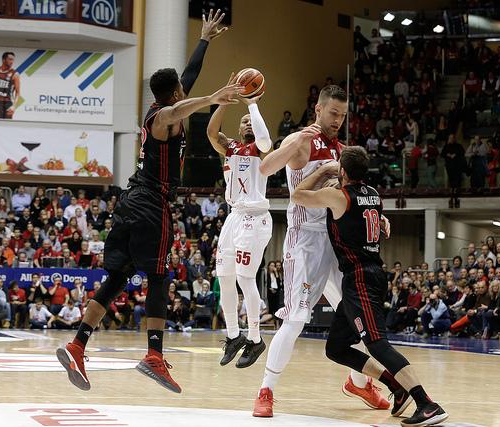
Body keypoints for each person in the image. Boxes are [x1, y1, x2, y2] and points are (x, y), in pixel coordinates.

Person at [56, 9, 232, 394]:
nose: (185, 93)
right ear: (175, 97)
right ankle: (154, 355)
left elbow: (188, 78)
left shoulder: (170, 103)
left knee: (118, 277)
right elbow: (179, 108)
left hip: (131, 203)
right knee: (157, 276)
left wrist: (203, 39)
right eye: (182, 94)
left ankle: (77, 344)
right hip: (152, 204)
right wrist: (213, 98)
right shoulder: (162, 116)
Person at [253, 86, 387, 418]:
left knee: (356, 317)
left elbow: (351, 196)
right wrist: (297, 145)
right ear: (318, 109)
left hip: (336, 240)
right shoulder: (300, 140)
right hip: (305, 242)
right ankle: (265, 390)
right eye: (333, 114)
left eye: (342, 116)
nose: (338, 120)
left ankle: (359, 383)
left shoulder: (341, 149)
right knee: (296, 318)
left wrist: (378, 216)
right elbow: (265, 168)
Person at [291, 146, 448, 426]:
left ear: (343, 172)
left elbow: (297, 195)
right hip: (368, 274)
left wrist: (321, 171)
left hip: (360, 276)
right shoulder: (373, 195)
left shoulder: (340, 197)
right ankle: (396, 387)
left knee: (376, 344)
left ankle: (427, 402)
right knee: (337, 347)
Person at [207, 84, 273, 368]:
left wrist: (251, 104)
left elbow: (265, 138)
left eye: (251, 121)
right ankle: (234, 335)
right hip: (234, 217)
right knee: (224, 277)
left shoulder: (261, 148)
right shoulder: (230, 147)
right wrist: (222, 101)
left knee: (246, 278)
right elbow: (211, 133)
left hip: (255, 218)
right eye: (243, 120)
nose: (247, 123)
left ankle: (256, 338)